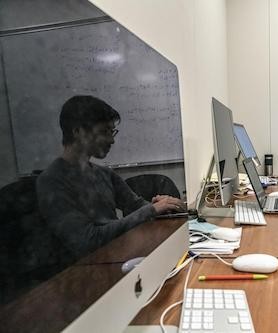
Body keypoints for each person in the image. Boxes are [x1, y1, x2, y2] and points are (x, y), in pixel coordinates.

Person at [37, 95, 186, 262]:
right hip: (85, 271)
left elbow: (136, 206)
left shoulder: (104, 173)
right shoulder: (52, 181)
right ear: (78, 132)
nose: (112, 140)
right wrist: (151, 210)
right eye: (104, 132)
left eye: (112, 131)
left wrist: (166, 206)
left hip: (116, 257)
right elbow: (88, 241)